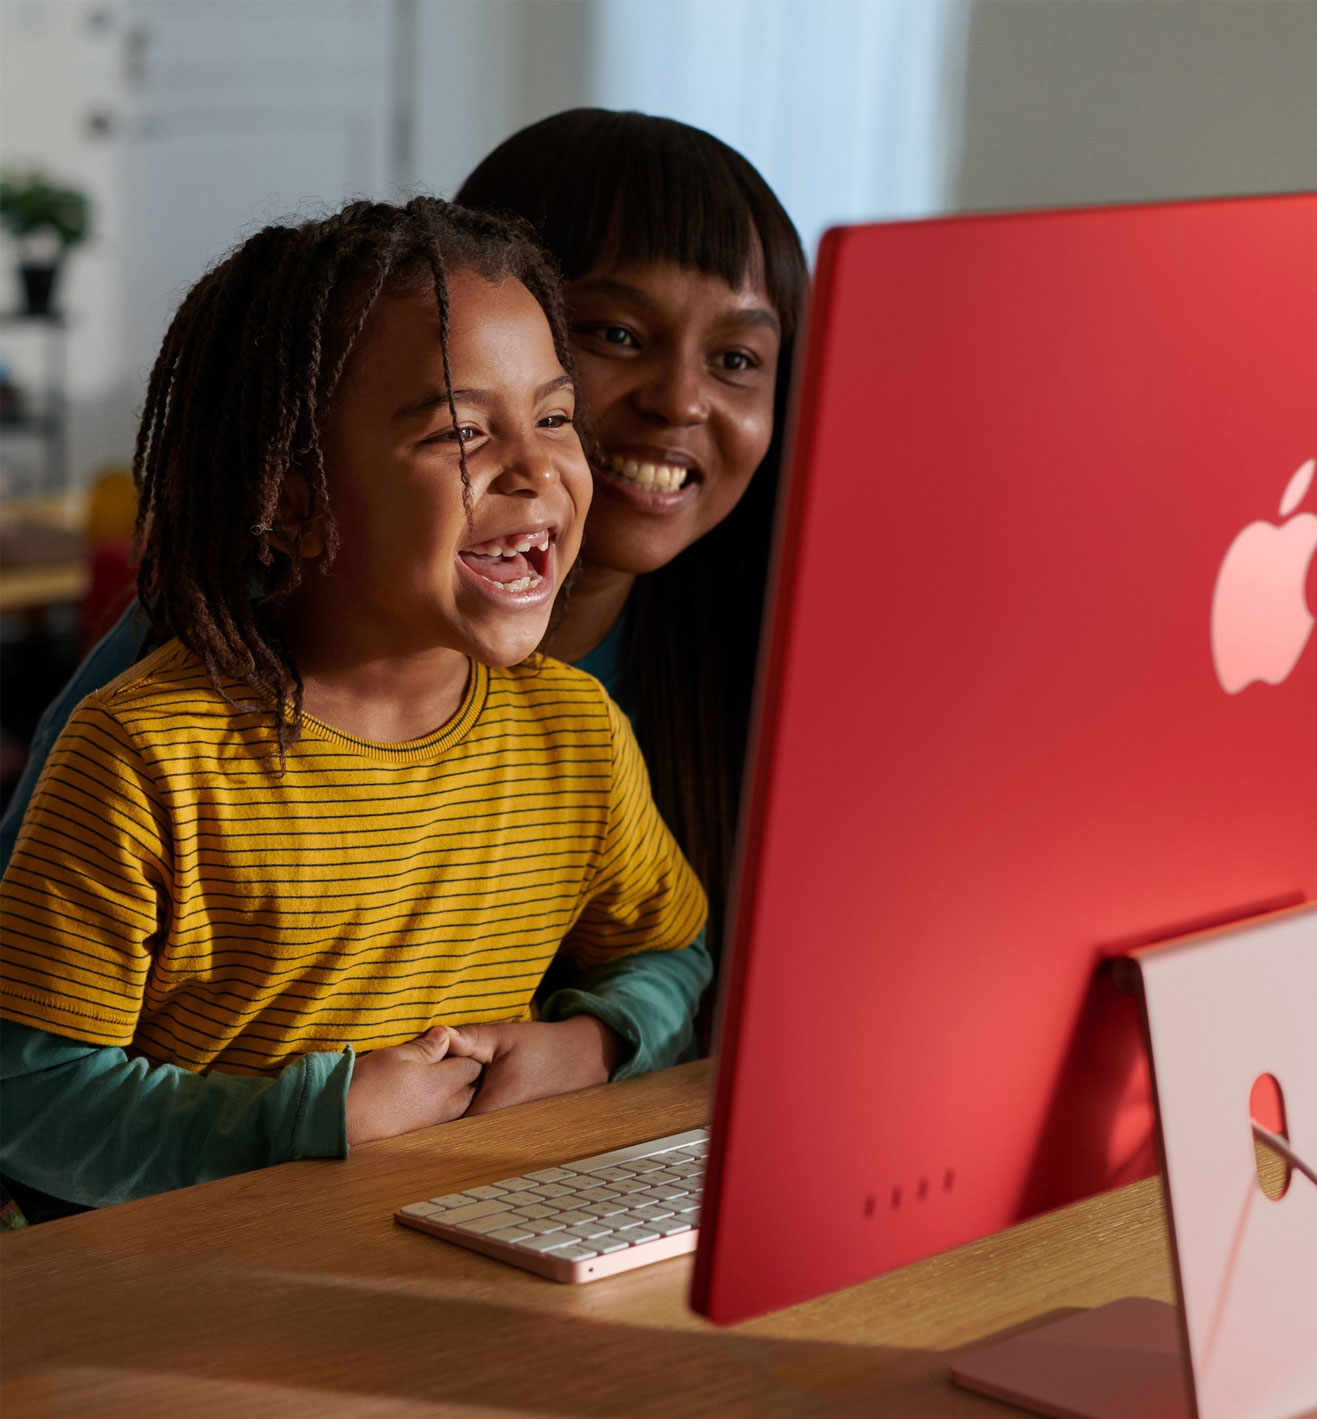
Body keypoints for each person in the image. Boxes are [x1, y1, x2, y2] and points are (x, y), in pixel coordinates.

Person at [0, 199, 710, 1217]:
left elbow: (667, 946)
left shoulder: (577, 737)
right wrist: (310, 1119)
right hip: (170, 1315)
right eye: (461, 432)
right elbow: (25, 1095)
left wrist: (591, 1042)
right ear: (291, 499)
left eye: (555, 416)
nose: (538, 468)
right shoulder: (141, 759)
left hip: (457, 1266)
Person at [2, 110, 809, 979]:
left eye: (736, 359)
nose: (681, 401)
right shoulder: (195, 676)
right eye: (615, 335)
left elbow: (676, 964)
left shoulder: (659, 699)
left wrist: (605, 1035)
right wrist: (319, 1113)